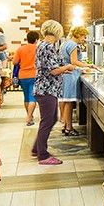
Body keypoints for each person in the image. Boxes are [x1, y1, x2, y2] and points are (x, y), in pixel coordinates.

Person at [33, 20, 79, 166]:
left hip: (46, 88)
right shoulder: (47, 47)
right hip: (46, 89)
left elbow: (50, 67)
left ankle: (37, 148)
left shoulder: (44, 45)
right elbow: (53, 71)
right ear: (56, 31)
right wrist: (67, 67)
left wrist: (63, 69)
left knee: (51, 119)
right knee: (47, 121)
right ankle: (43, 155)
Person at [59, 25, 92, 136]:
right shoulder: (74, 45)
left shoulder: (65, 43)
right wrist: (87, 65)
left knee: (65, 101)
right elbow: (74, 61)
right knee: (69, 102)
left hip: (64, 74)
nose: (84, 39)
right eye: (83, 36)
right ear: (78, 34)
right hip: (70, 75)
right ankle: (69, 128)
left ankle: (65, 125)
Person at [12, 30, 40, 126]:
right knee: (33, 97)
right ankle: (29, 117)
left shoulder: (20, 49)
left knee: (26, 97)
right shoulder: (38, 49)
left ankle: (29, 116)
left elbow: (15, 62)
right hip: (35, 75)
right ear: (36, 40)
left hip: (23, 75)